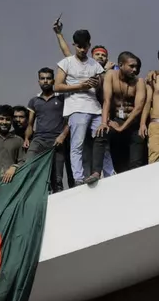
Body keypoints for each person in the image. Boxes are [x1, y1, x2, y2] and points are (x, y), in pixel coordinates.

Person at [57, 24, 114, 184]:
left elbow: (102, 87)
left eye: (85, 46)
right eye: (79, 46)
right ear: (75, 45)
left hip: (95, 109)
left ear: (89, 45)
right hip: (76, 108)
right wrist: (80, 86)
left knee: (103, 142)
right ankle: (78, 179)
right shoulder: (66, 62)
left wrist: (97, 83)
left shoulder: (94, 64)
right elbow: (57, 86)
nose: (82, 50)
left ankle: (110, 175)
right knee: (78, 144)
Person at [99, 55, 143, 172]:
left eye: (136, 67)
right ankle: (96, 172)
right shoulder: (111, 75)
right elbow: (106, 100)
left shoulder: (139, 81)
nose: (135, 70)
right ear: (121, 65)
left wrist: (122, 127)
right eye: (131, 66)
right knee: (119, 165)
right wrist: (104, 123)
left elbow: (138, 108)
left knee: (135, 164)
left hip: (133, 124)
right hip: (117, 120)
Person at [0, 105, 30, 184]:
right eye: (1, 119)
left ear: (11, 121)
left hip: (11, 185)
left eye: (7, 119)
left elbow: (23, 161)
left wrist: (14, 167)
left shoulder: (18, 140)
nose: (4, 122)